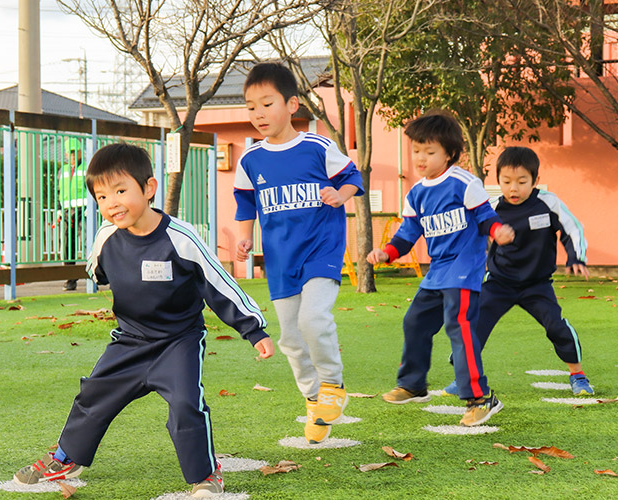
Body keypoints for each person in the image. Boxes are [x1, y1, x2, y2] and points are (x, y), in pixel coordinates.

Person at [13, 143, 273, 498]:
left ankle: (206, 475)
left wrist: (253, 328)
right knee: (93, 394)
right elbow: (96, 271)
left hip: (177, 342)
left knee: (186, 404)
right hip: (130, 341)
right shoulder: (106, 238)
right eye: (102, 197)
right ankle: (66, 457)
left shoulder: (180, 238)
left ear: (149, 188)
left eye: (121, 191)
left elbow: (218, 284)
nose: (112, 203)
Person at [234, 62, 364, 444]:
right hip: (280, 260)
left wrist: (340, 195)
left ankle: (333, 386)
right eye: (250, 106)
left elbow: (352, 177)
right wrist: (245, 238)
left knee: (313, 318)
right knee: (290, 337)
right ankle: (312, 398)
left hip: (321, 251)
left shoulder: (317, 147)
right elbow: (246, 206)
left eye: (266, 103)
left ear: (292, 105)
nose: (258, 113)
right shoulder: (250, 160)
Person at [367, 111, 514, 427]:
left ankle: (481, 398)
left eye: (429, 151)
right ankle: (414, 384)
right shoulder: (416, 193)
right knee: (415, 321)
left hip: (464, 269)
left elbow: (487, 217)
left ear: (449, 153)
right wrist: (386, 253)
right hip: (437, 272)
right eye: (416, 150)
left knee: (458, 327)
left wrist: (497, 231)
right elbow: (407, 235)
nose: (420, 158)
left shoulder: (464, 183)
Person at [442, 146, 594, 397]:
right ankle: (464, 378)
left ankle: (578, 375)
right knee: (473, 326)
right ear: (498, 181)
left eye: (522, 181)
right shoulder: (490, 209)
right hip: (499, 282)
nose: (514, 188)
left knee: (556, 326)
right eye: (506, 181)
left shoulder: (548, 203)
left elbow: (573, 228)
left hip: (537, 284)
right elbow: (468, 237)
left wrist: (576, 257)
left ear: (536, 181)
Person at [59, 137, 88, 291]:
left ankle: (97, 274)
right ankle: (70, 278)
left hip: (83, 210)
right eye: (69, 152)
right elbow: (59, 191)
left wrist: (92, 206)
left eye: (74, 152)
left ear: (80, 152)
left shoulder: (86, 168)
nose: (71, 155)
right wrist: (58, 209)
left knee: (87, 243)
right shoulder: (62, 170)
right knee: (68, 245)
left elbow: (92, 189)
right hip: (66, 212)